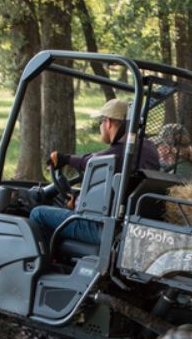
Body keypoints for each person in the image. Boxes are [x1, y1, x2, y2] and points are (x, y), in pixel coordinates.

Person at [31, 99, 160, 247]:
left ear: (108, 123)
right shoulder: (150, 149)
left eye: (101, 121)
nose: (100, 126)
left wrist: (66, 159)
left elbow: (93, 160)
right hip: (128, 222)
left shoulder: (115, 156)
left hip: (103, 228)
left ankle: (45, 264)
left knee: (38, 214)